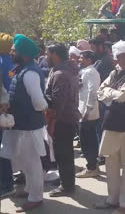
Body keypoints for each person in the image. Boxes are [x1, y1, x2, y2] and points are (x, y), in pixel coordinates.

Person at [94, 40, 125, 214]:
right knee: (110, 163)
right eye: (117, 56)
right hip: (111, 123)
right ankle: (112, 199)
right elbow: (100, 91)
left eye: (121, 56)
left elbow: (123, 96)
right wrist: (112, 93)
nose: (117, 60)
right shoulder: (116, 71)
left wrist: (110, 93)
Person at [0, 34, 47, 212]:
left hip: (29, 126)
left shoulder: (30, 74)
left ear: (24, 54)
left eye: (14, 50)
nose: (11, 52)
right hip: (22, 125)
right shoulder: (22, 69)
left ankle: (36, 197)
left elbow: (39, 102)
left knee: (32, 162)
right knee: (25, 161)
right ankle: (29, 190)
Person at [45, 44, 80, 197]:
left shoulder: (60, 74)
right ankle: (66, 181)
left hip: (62, 120)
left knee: (63, 153)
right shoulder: (63, 70)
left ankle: (66, 186)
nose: (46, 57)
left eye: (47, 54)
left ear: (55, 55)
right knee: (64, 153)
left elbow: (58, 104)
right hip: (67, 119)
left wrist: (52, 124)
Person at [76, 51, 101, 178]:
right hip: (84, 111)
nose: (79, 59)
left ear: (89, 60)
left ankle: (91, 167)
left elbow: (93, 92)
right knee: (89, 140)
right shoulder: (87, 71)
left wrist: (87, 111)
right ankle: (93, 165)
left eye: (82, 57)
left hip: (87, 113)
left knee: (87, 141)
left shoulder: (90, 72)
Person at [0, 33, 15, 198]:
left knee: (2, 148)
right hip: (9, 110)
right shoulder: (13, 62)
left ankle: (6, 183)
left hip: (3, 110)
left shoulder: (2, 62)